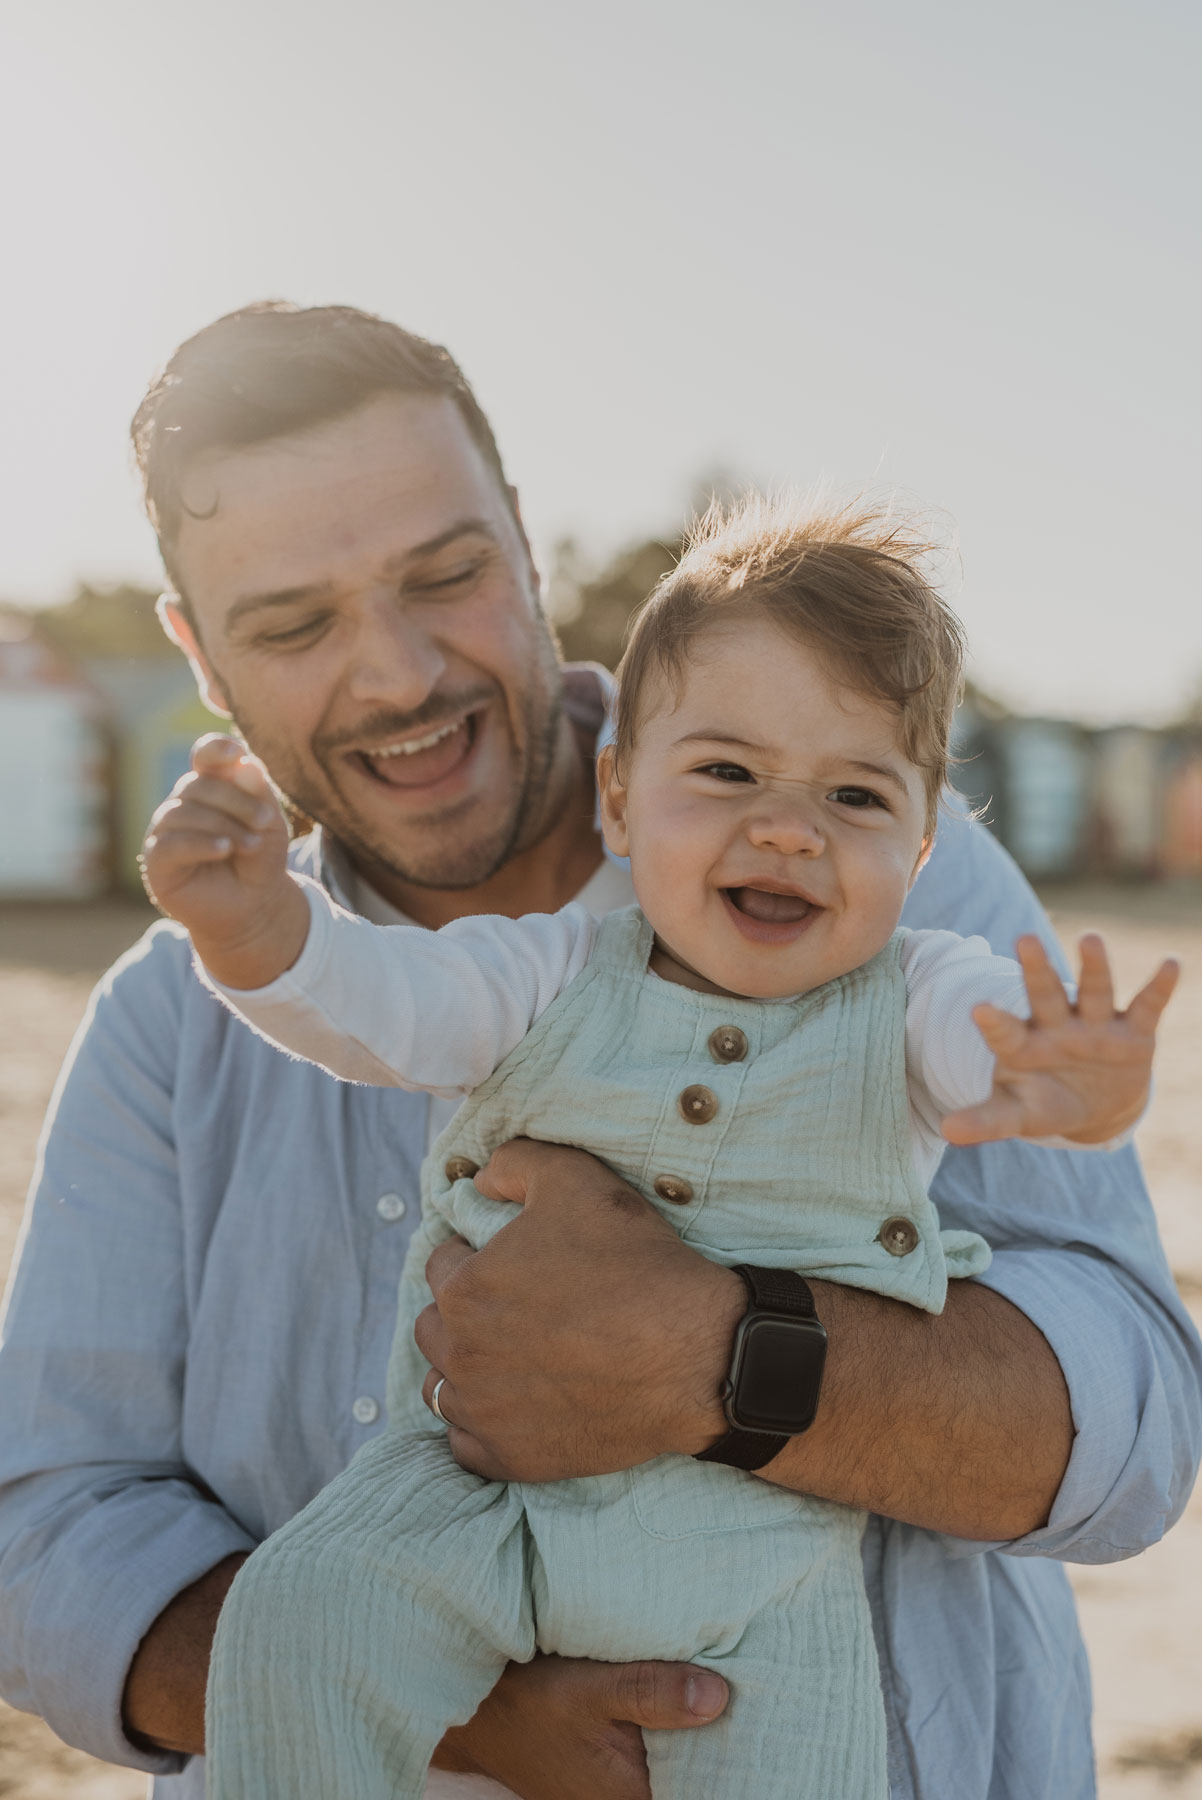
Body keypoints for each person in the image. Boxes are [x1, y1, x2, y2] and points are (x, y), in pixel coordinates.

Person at [0, 302, 1198, 1800]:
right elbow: (49, 1539)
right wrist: (446, 1715)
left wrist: (718, 1360)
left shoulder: (865, 858)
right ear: (195, 650)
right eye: (293, 624)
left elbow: (1131, 1437)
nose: (393, 677)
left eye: (445, 576)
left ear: (522, 537)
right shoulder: (174, 1018)